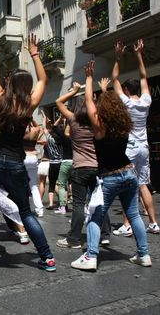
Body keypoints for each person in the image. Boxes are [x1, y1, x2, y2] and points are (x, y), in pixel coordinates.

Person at [0, 34, 55, 277]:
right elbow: (44, 78)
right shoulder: (29, 104)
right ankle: (47, 257)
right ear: (27, 88)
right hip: (16, 161)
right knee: (25, 212)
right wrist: (35, 54)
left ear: (10, 86)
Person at [71, 62, 151, 271]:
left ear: (102, 109)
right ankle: (143, 254)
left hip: (110, 177)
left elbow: (88, 100)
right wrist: (106, 92)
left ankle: (91, 256)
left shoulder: (99, 127)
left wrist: (89, 78)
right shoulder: (124, 124)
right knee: (133, 215)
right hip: (129, 173)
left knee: (96, 215)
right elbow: (104, 104)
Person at [112, 40, 160, 236]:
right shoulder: (146, 101)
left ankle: (127, 225)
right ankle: (154, 223)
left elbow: (114, 78)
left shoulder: (126, 103)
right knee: (142, 184)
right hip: (144, 147)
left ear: (126, 90)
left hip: (130, 147)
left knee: (127, 186)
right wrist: (139, 54)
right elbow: (143, 76)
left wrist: (118, 57)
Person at [56, 85, 111, 249]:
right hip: (97, 167)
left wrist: (74, 91)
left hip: (80, 167)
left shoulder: (73, 120)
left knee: (79, 204)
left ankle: (73, 239)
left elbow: (58, 102)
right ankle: (105, 235)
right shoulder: (97, 121)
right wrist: (99, 95)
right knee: (99, 201)